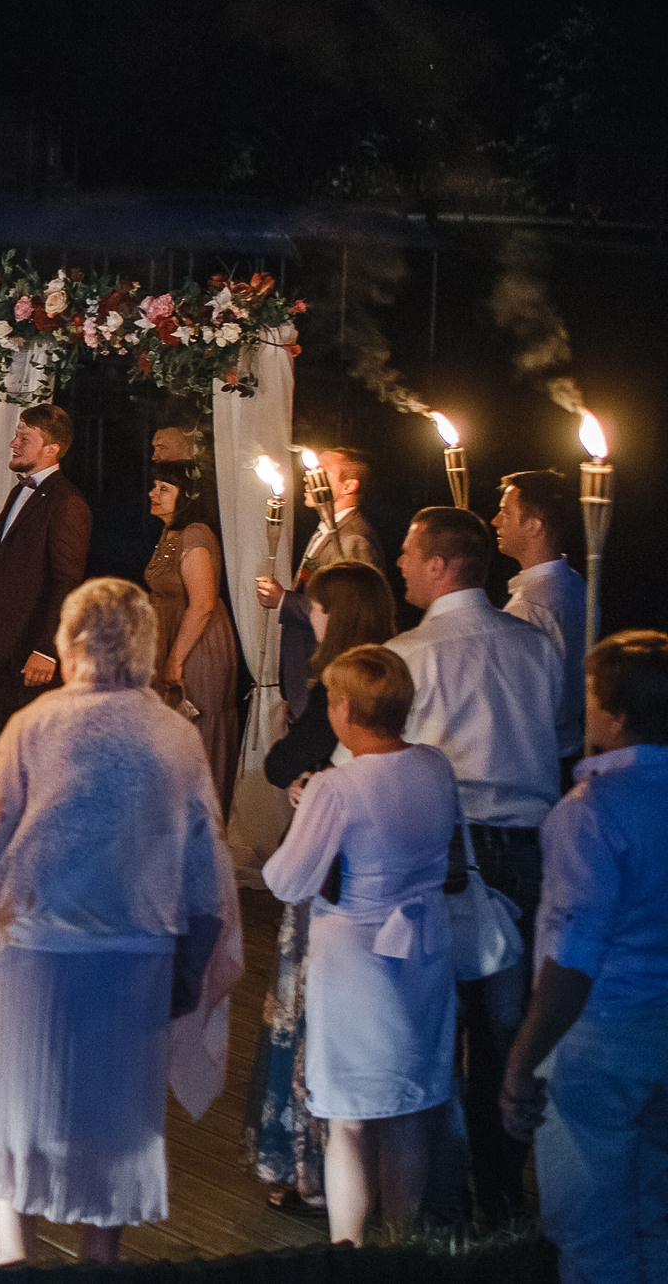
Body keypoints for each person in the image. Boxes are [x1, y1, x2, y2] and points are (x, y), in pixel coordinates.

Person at [0, 577, 241, 1265]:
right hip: (133, 962)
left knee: (14, 1115)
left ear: (69, 643)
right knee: (115, 1131)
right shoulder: (175, 737)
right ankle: (99, 1260)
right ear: (146, 645)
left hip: (31, 959)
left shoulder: (37, 724)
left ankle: (14, 1257)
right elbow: (205, 865)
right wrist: (191, 969)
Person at [381, 505, 565, 1223]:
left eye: (408, 551)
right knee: (507, 1030)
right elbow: (558, 731)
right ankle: (501, 1187)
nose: (399, 563)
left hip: (449, 849)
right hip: (527, 846)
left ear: (439, 564)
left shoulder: (410, 653)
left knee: (436, 1026)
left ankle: (443, 1197)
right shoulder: (535, 645)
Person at [263, 645, 459, 1247]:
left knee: (348, 1119)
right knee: (405, 1114)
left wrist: (308, 813)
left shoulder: (336, 786)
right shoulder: (435, 765)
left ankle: (349, 1254)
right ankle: (400, 1251)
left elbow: (288, 880)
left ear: (345, 708)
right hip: (424, 952)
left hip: (356, 960)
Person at [501, 630, 668, 1284]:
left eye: (592, 694)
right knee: (657, 1215)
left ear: (616, 715)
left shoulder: (592, 809)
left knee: (591, 1231)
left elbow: (574, 957)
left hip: (600, 1032)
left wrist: (523, 1059)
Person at [243, 558, 399, 1212]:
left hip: (337, 899)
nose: (311, 616)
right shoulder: (418, 747)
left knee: (320, 1035)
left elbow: (282, 767)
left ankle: (318, 1173)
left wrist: (308, 785)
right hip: (401, 914)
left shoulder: (344, 700)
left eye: (318, 609)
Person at [0, 403, 92, 750]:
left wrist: (46, 650)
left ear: (51, 449)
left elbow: (67, 584)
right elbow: (2, 567)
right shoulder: (20, 490)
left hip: (31, 651)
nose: (12, 443)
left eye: (24, 438)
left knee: (32, 749)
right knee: (1, 746)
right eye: (16, 434)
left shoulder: (67, 503)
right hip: (2, 645)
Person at [255, 448, 384, 720]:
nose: (308, 477)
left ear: (349, 485)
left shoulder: (353, 538)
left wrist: (284, 600)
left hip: (326, 678)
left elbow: (347, 614)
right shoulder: (323, 530)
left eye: (322, 471)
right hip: (303, 676)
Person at [145, 457, 242, 808]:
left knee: (196, 727)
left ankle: (201, 819)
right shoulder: (171, 532)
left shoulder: (195, 534)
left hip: (196, 645)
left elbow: (201, 603)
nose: (152, 493)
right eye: (155, 486)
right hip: (174, 636)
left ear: (185, 497)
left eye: (163, 489)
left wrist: (175, 659)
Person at [496, 468, 592, 781]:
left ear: (535, 526)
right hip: (571, 746)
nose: (495, 521)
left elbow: (521, 699)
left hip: (540, 759)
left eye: (505, 513)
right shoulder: (575, 582)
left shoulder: (531, 606)